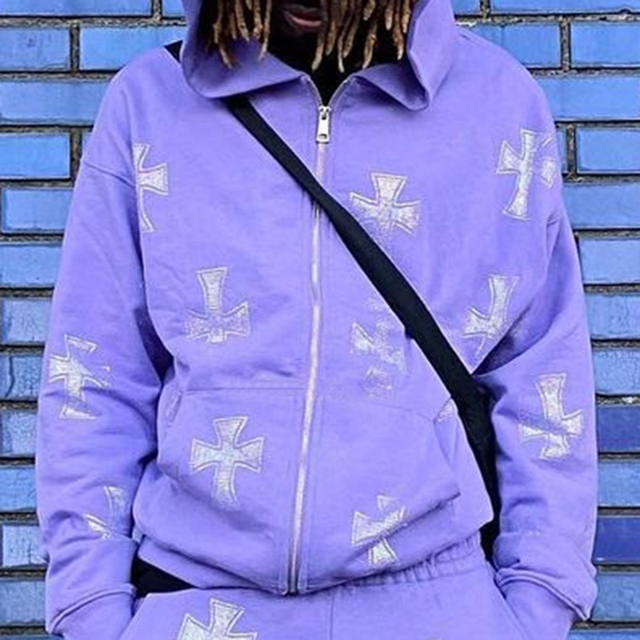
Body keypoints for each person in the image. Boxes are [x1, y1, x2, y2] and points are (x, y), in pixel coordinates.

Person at [34, 0, 599, 637]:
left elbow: (542, 373)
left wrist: (539, 601)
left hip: (432, 605)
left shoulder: (497, 104)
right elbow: (95, 375)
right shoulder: (150, 102)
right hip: (195, 600)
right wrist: (91, 607)